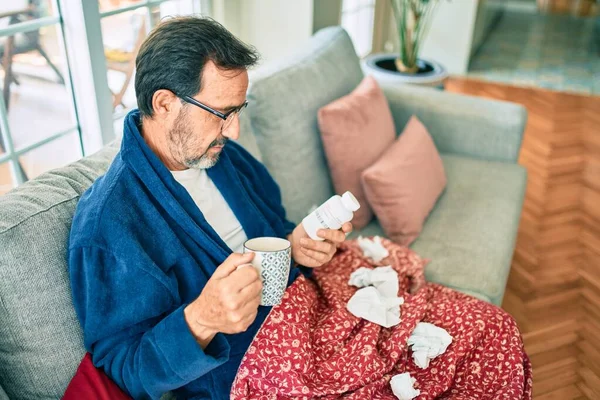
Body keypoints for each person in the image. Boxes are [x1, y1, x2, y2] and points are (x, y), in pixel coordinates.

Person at [68, 16, 352, 400]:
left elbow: (275, 231)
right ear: (164, 103)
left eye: (239, 110)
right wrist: (200, 319)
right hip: (255, 374)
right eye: (222, 113)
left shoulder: (222, 158)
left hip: (310, 321)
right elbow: (124, 370)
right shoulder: (111, 224)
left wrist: (296, 247)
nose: (234, 131)